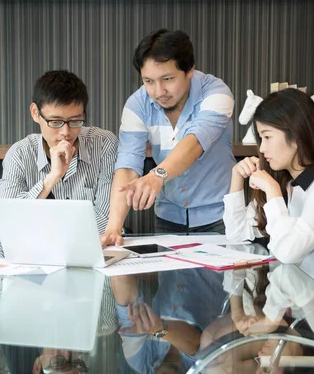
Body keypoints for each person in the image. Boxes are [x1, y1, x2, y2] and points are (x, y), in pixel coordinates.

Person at [222, 87, 314, 335]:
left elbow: (288, 252)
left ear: (295, 137)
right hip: (294, 305)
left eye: (267, 137)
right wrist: (236, 179)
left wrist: (272, 191)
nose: (261, 149)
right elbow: (236, 236)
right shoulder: (285, 182)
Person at [101, 29, 236, 246]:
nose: (159, 91)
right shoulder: (137, 105)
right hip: (168, 218)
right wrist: (113, 228)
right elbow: (128, 165)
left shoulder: (216, 93)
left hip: (219, 217)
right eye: (149, 81)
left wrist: (157, 175)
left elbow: (193, 144)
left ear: (189, 69)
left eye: (168, 79)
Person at [0, 70, 118, 257]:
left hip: (90, 258)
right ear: (35, 113)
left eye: (75, 121)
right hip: (34, 264)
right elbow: (2, 228)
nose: (66, 132)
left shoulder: (104, 144)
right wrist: (52, 178)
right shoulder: (19, 154)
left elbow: (107, 221)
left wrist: (38, 229)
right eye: (56, 122)